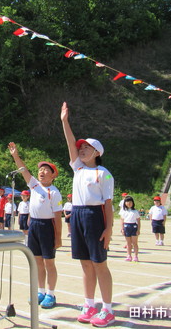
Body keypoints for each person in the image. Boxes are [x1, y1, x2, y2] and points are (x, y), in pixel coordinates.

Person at [60, 102, 115, 327]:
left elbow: (108, 203)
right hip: (77, 215)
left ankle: (108, 309)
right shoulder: (78, 168)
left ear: (97, 153)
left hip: (95, 216)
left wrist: (109, 228)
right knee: (85, 263)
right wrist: (64, 121)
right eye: (80, 148)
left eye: (86, 148)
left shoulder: (104, 173)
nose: (81, 150)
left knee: (99, 263)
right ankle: (89, 304)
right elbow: (69, 142)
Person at [8, 142, 62, 310]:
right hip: (34, 227)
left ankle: (51, 294)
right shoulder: (34, 185)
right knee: (37, 262)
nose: (42, 172)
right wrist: (16, 156)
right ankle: (40, 291)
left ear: (53, 175)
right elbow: (23, 170)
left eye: (46, 170)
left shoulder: (54, 192)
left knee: (49, 263)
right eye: (40, 170)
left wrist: (58, 238)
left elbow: (58, 218)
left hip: (48, 227)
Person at [120, 195, 141, 262]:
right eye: (127, 202)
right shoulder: (124, 211)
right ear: (125, 203)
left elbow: (138, 221)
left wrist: (138, 229)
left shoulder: (135, 211)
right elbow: (122, 220)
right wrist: (122, 229)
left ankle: (136, 256)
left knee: (135, 243)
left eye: (130, 202)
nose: (129, 203)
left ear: (133, 203)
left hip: (134, 226)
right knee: (128, 243)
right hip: (126, 226)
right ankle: (129, 255)